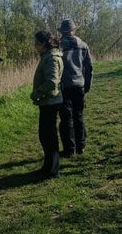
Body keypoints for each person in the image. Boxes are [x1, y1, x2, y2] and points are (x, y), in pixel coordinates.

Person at [57, 19, 93, 157]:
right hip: (79, 85)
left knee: (66, 118)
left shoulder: (58, 46)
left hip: (64, 85)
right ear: (74, 30)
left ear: (62, 31)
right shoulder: (83, 45)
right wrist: (87, 85)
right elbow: (89, 68)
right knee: (78, 115)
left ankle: (69, 149)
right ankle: (81, 146)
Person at [31, 31, 64, 178]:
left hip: (51, 101)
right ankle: (48, 166)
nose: (35, 46)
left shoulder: (51, 58)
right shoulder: (48, 56)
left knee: (49, 136)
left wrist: (37, 92)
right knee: (45, 135)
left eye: (36, 42)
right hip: (48, 101)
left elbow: (52, 81)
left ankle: (53, 170)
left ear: (43, 43)